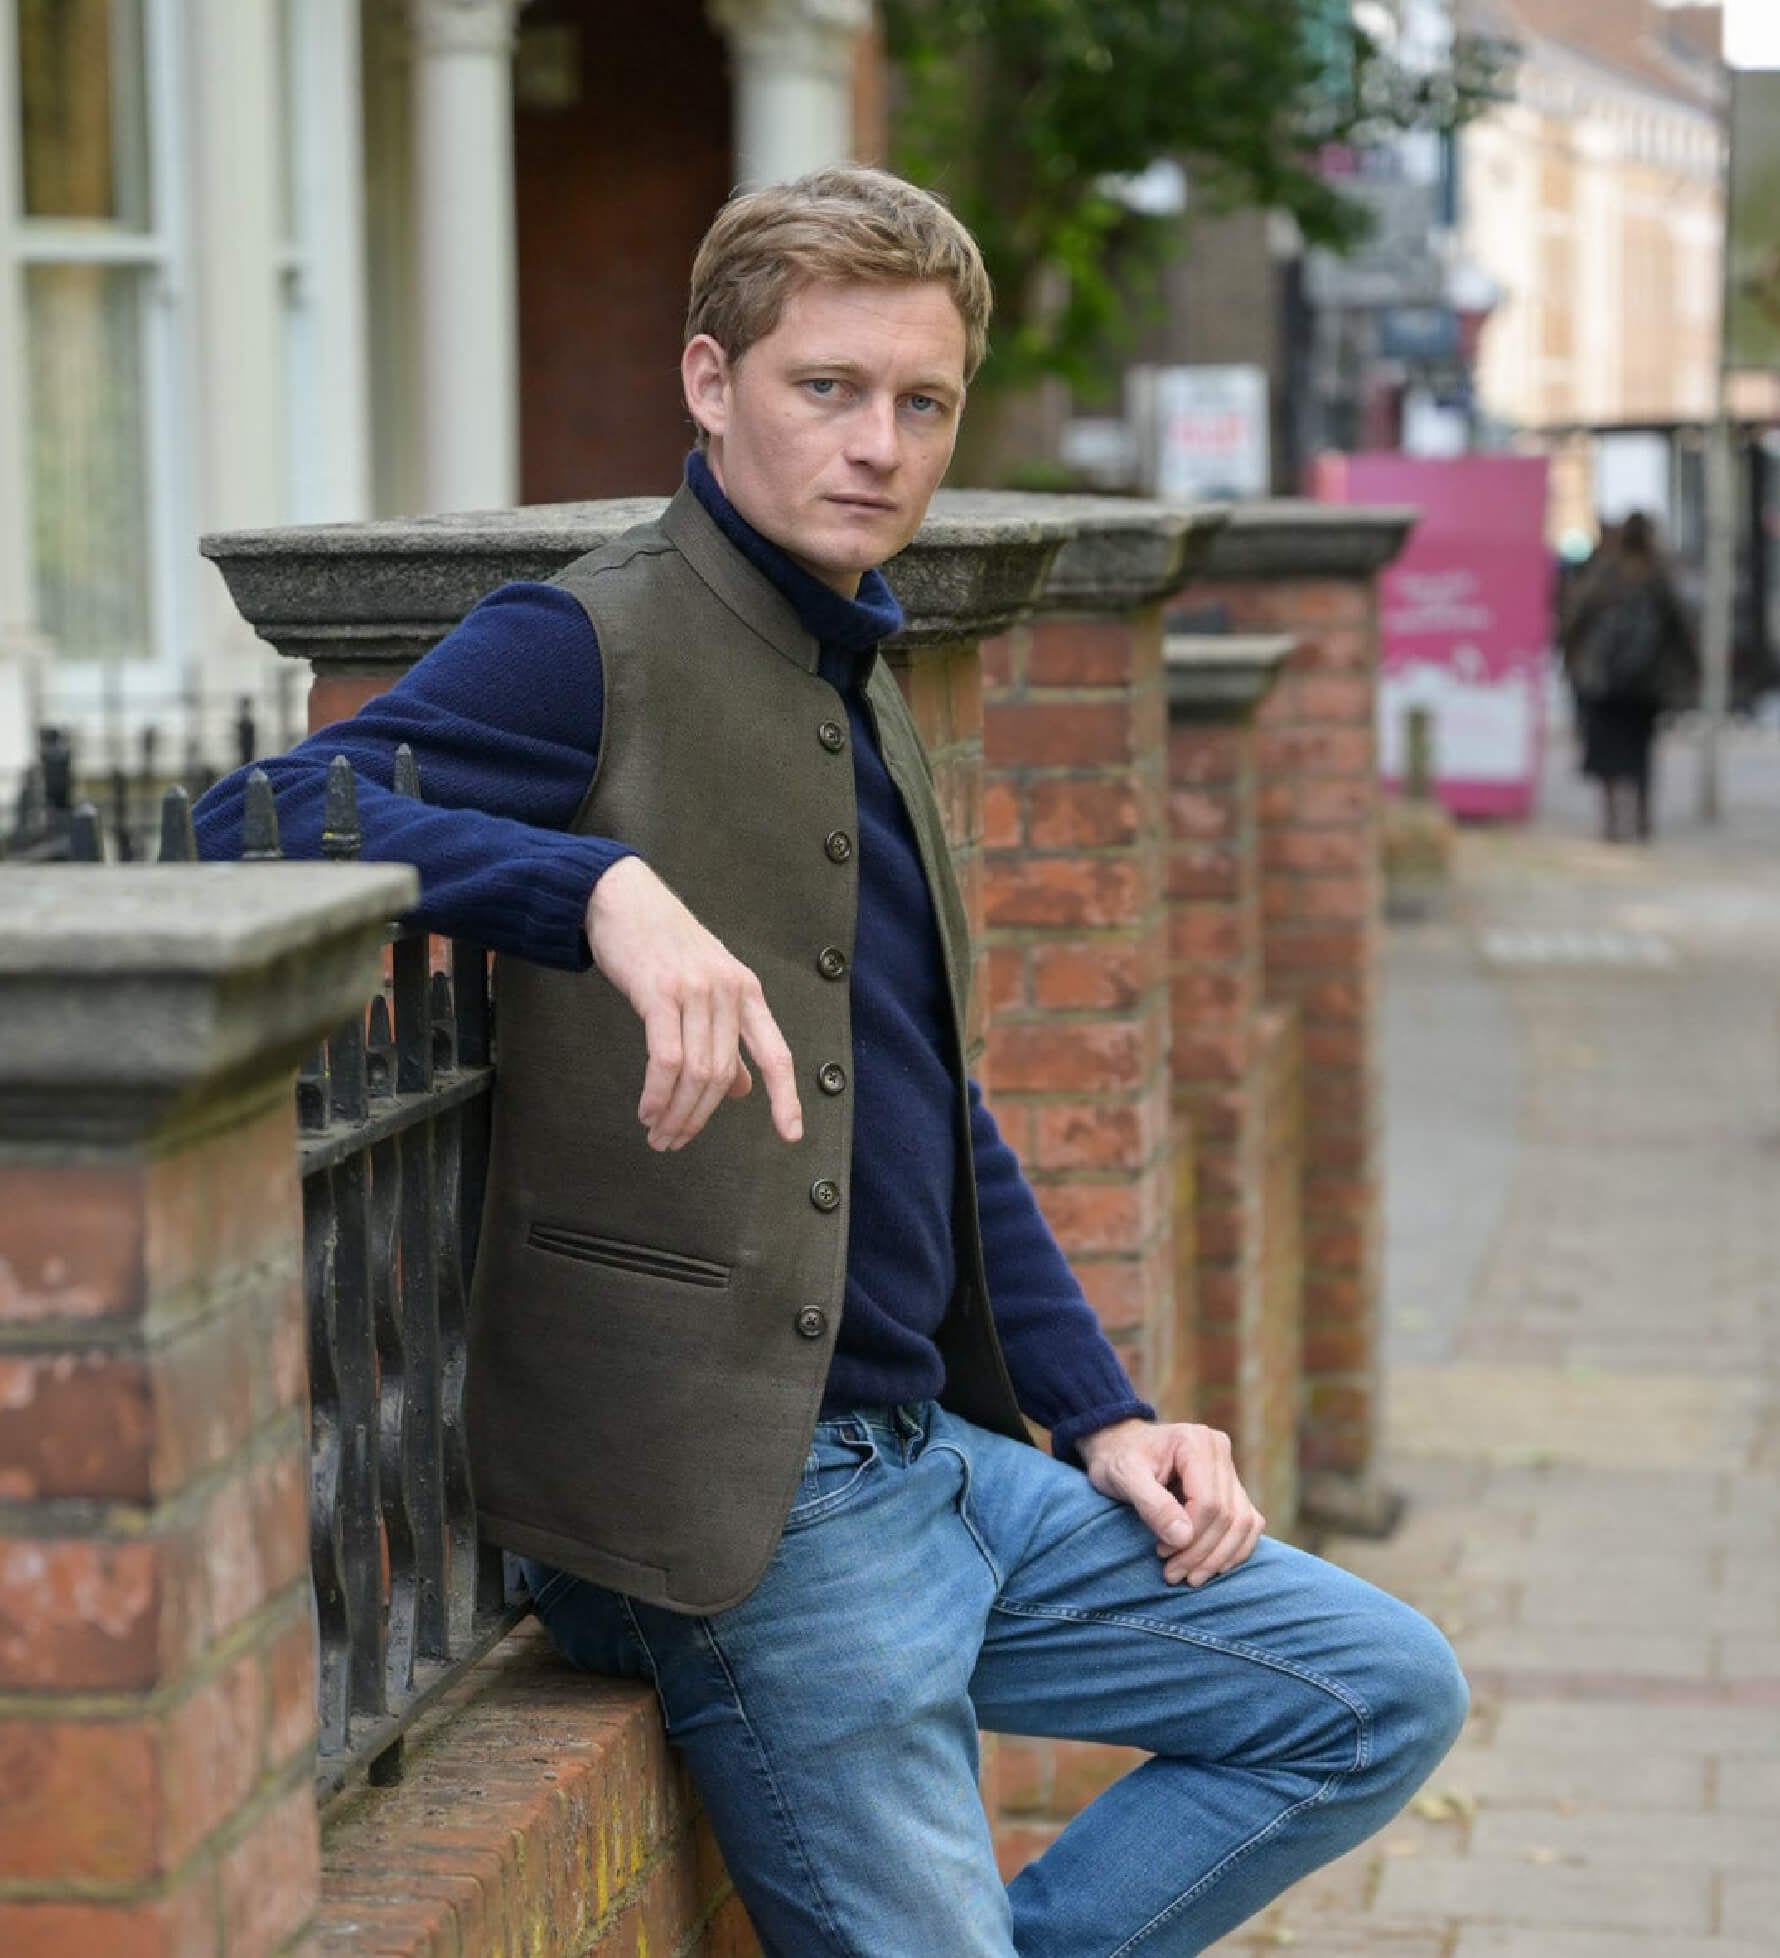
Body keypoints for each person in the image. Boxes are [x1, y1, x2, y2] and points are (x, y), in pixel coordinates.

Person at [198, 167, 1465, 1956]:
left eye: (921, 401)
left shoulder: (856, 662)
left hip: (947, 1463)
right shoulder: (583, 642)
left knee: (1376, 1689)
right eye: (827, 389)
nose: (879, 444)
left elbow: (930, 1111)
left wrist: (1104, 1409)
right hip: (749, 1508)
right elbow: (243, 820)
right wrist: (593, 886)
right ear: (712, 384)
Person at [1559, 511, 1699, 843]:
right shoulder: (1659, 574)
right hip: (1645, 682)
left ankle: (1611, 822)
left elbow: (1575, 617)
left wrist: (1571, 658)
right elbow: (1683, 624)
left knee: (1607, 751)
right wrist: (1691, 669)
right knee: (1641, 750)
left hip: (1604, 680)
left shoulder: (1604, 572)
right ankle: (1642, 819)